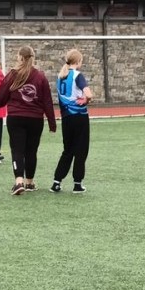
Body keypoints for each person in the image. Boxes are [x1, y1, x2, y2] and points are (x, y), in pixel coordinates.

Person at [0, 45, 56, 195]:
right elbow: (47, 101)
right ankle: (30, 182)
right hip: (35, 119)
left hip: (16, 117)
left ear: (20, 57)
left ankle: (18, 182)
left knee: (17, 150)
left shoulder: (13, 75)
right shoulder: (40, 76)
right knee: (31, 151)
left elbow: (2, 94)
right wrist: (51, 122)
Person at [51, 49, 93, 194]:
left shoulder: (60, 76)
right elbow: (88, 94)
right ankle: (77, 184)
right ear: (78, 61)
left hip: (66, 118)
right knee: (81, 150)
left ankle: (56, 182)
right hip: (79, 116)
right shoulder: (77, 75)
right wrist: (86, 100)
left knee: (67, 150)